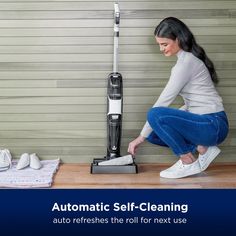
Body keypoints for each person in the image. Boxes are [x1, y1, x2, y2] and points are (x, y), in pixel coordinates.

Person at [127, 17, 229, 179]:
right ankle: (203, 148)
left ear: (178, 39)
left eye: (164, 44)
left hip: (213, 124)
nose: (161, 49)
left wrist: (139, 138)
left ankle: (188, 161)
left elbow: (163, 101)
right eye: (159, 44)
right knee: (153, 133)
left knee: (155, 115)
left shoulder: (186, 63)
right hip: (207, 124)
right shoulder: (186, 61)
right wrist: (152, 131)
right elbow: (192, 104)